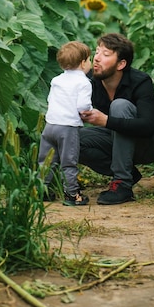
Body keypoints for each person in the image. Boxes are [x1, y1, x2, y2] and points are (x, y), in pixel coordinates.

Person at [79, 33, 154, 205]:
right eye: (96, 52)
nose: (96, 58)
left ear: (121, 64)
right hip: (116, 139)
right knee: (72, 140)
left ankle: (122, 183)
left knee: (120, 106)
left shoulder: (140, 81)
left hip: (149, 144)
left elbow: (148, 126)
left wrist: (106, 121)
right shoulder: (90, 81)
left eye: (105, 55)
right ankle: (129, 173)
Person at [38, 40, 92, 206]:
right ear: (83, 63)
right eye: (89, 59)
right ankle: (72, 194)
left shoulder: (56, 80)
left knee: (46, 161)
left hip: (50, 126)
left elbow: (50, 99)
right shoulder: (83, 82)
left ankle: (41, 191)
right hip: (67, 128)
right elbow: (82, 106)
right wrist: (89, 110)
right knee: (68, 162)